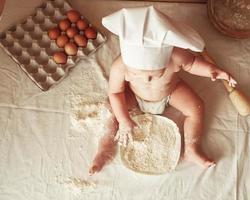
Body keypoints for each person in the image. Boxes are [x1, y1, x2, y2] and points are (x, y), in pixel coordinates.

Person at [89, 6, 236, 175]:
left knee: (196, 107)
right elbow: (115, 93)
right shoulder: (120, 66)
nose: (145, 79)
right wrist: (123, 119)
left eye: (154, 74)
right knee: (110, 110)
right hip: (135, 96)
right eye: (136, 73)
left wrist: (214, 71)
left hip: (170, 92)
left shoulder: (175, 56)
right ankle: (104, 149)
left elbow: (193, 64)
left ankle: (191, 148)